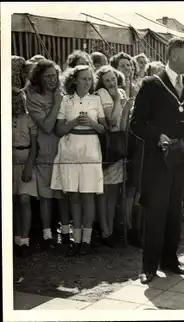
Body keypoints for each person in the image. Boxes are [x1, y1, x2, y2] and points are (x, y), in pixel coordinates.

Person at [130, 37, 184, 284]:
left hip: (181, 162)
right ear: (173, 56)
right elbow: (136, 123)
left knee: (174, 212)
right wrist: (157, 136)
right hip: (157, 162)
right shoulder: (152, 84)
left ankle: (170, 261)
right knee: (155, 213)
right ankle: (149, 266)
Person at [51, 65, 107, 256]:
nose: (87, 82)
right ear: (74, 80)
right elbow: (59, 130)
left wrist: (91, 123)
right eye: (84, 79)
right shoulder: (66, 100)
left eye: (90, 79)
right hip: (70, 148)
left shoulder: (96, 99)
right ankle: (76, 240)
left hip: (90, 148)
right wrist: (73, 122)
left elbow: (103, 129)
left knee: (88, 195)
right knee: (74, 196)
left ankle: (87, 240)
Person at [25, 59, 71, 248]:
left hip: (65, 149)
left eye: (55, 75)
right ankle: (47, 235)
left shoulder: (63, 93)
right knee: (46, 195)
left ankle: (66, 232)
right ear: (39, 78)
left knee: (63, 193)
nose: (53, 80)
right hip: (45, 149)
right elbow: (46, 126)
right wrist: (57, 104)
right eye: (48, 77)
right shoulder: (33, 98)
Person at [95, 65, 134, 247]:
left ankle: (110, 229)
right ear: (101, 82)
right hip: (106, 145)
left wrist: (126, 109)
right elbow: (111, 121)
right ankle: (105, 230)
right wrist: (119, 99)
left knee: (113, 192)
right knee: (104, 192)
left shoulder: (118, 92)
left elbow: (123, 124)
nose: (111, 83)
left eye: (113, 79)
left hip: (117, 145)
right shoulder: (103, 94)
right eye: (107, 80)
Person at [12, 56, 38, 258]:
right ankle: (15, 238)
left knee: (24, 200)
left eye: (17, 100)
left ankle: (25, 238)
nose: (16, 104)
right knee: (13, 202)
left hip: (26, 158)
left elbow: (34, 143)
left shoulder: (28, 118)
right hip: (10, 161)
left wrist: (30, 165)